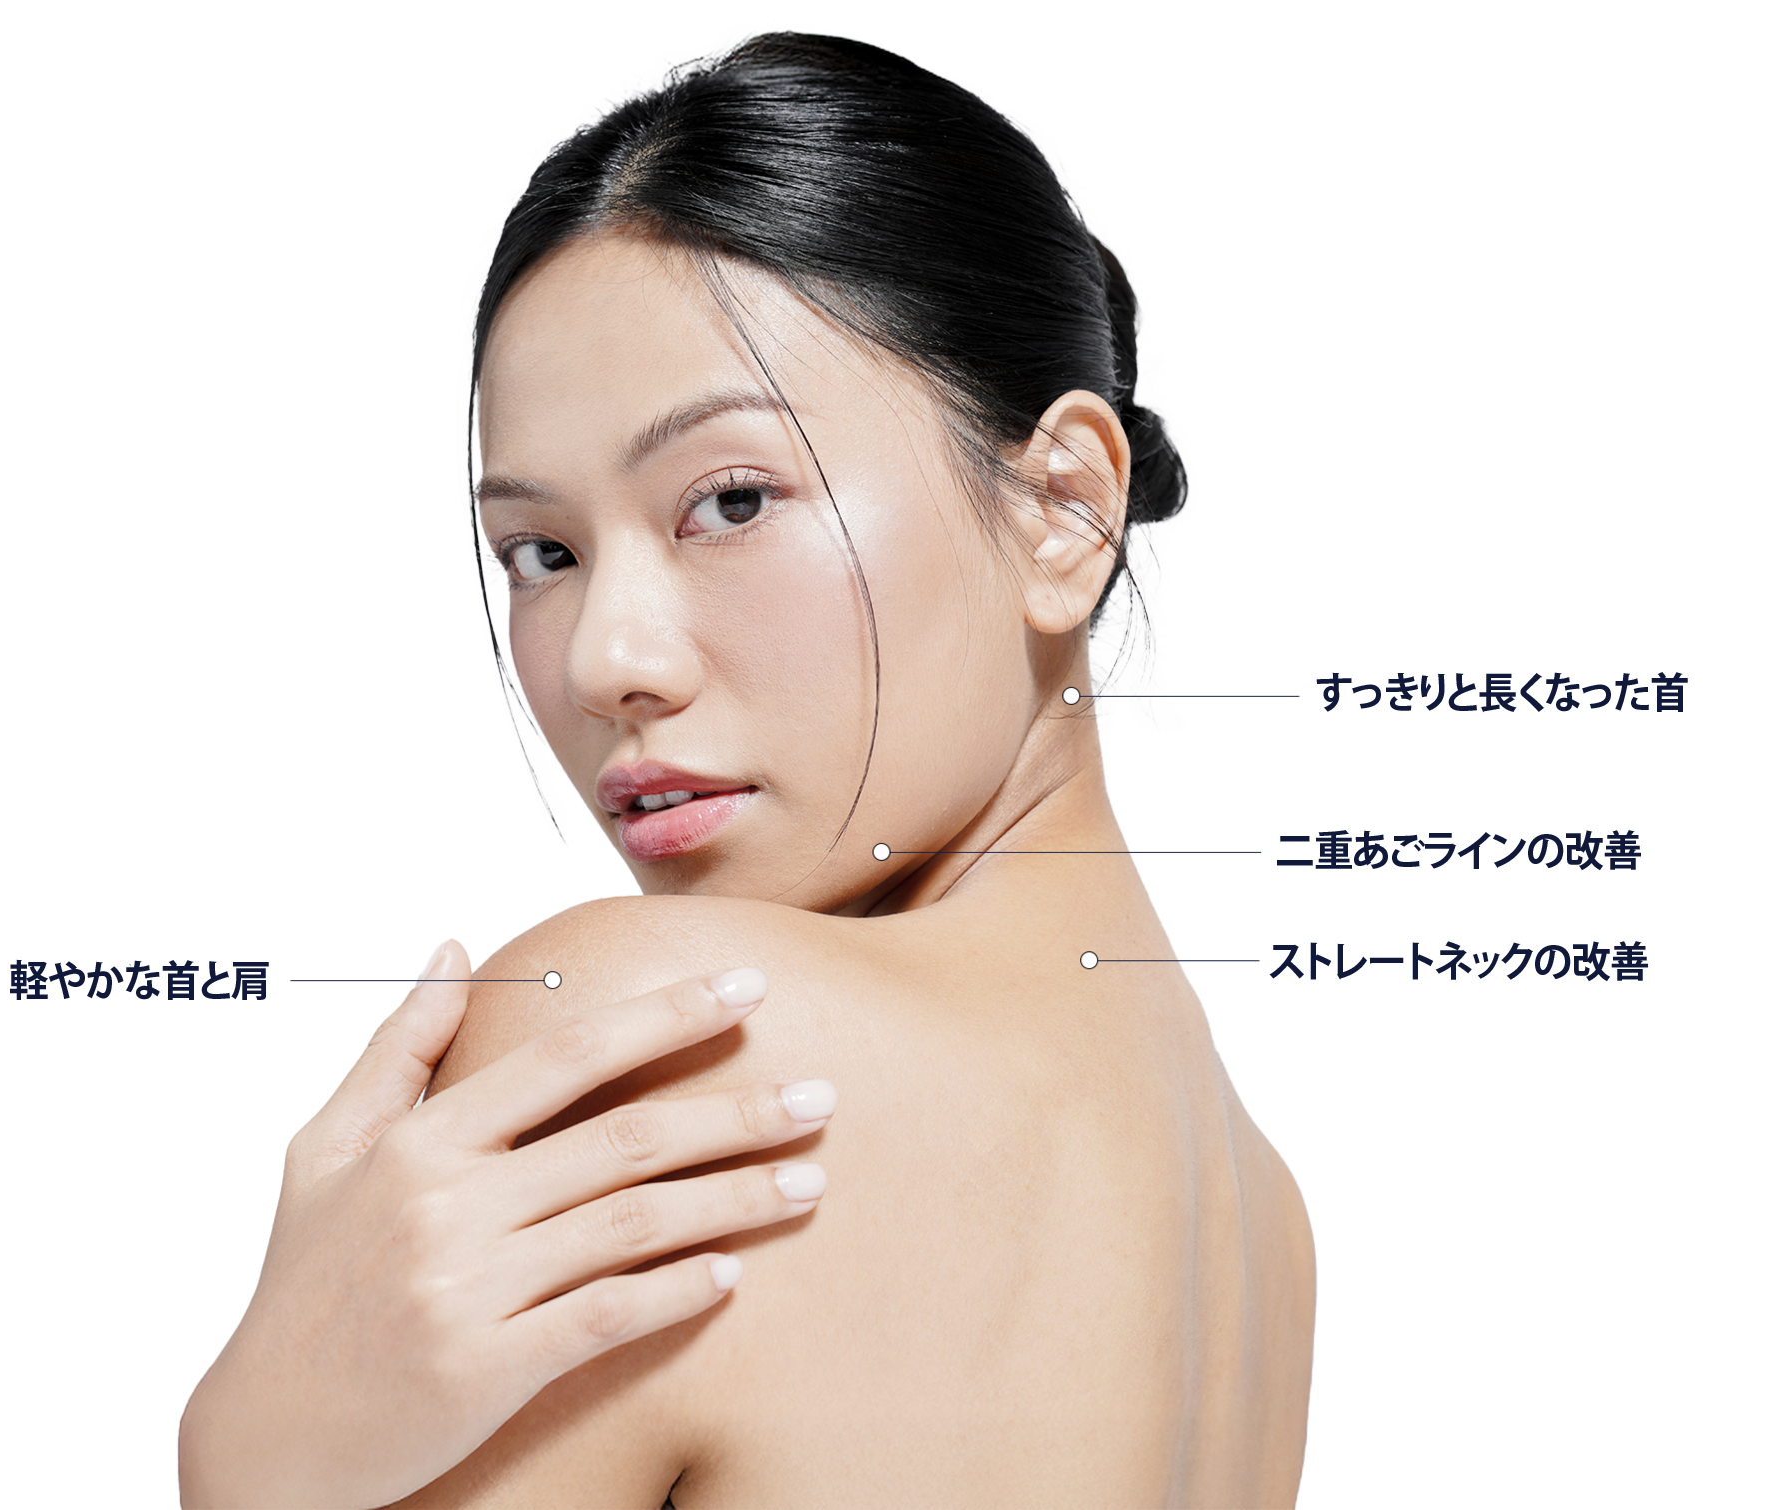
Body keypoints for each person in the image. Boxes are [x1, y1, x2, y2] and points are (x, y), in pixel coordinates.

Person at [177, 25, 1315, 1509]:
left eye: (729, 499)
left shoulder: (663, 1045)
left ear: (1064, 508)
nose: (606, 659)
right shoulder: (1259, 1211)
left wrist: (248, 1455)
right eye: (540, 552)